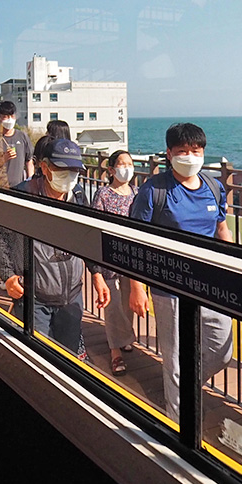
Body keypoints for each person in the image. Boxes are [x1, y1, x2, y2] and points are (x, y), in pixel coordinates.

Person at [128, 123, 233, 421]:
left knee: (221, 348)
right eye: (182, 151)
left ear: (203, 152)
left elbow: (222, 230)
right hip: (169, 285)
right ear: (169, 154)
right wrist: (137, 287)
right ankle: (178, 421)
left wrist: (233, 271)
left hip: (210, 283)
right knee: (174, 357)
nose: (189, 156)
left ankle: (183, 386)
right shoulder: (154, 190)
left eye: (195, 151)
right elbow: (134, 239)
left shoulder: (213, 187)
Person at [0, 138, 109, 354]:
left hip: (72, 296)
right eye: (62, 169)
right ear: (44, 167)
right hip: (34, 296)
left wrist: (96, 274)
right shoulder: (22, 195)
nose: (69, 176)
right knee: (35, 355)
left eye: (74, 170)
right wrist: (8, 276)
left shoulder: (79, 197)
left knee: (68, 356)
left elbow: (87, 237)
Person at [91, 150, 139, 375]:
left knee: (128, 300)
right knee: (113, 305)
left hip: (132, 259)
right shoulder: (103, 194)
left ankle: (125, 337)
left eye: (130, 164)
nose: (126, 168)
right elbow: (95, 225)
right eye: (121, 164)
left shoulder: (137, 193)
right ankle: (115, 351)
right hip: (110, 256)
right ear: (111, 169)